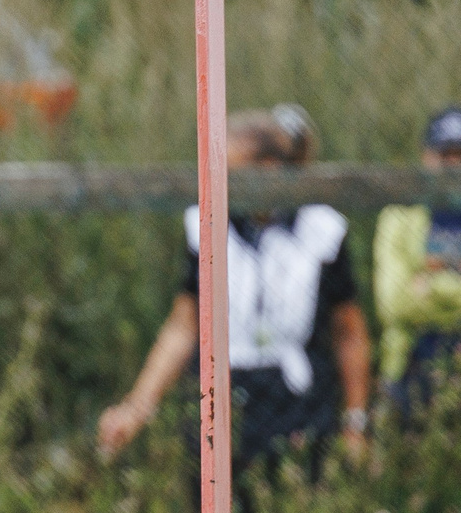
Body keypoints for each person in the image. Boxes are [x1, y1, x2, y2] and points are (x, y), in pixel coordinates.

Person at [99, 106, 374, 481]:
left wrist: (355, 423)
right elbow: (183, 326)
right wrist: (136, 408)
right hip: (222, 401)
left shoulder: (322, 231)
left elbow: (349, 333)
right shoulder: (206, 227)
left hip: (301, 405)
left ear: (270, 170)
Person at [375, 106, 461, 420]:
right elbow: (394, 301)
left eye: (460, 154)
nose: (454, 164)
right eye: (445, 154)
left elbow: (411, 296)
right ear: (427, 156)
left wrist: (430, 282)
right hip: (411, 366)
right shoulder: (400, 215)